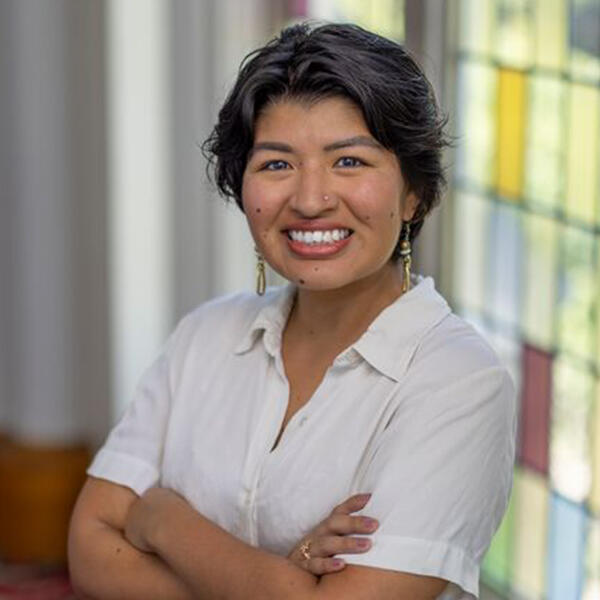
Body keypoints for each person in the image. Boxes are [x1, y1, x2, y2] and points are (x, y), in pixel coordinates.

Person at [68, 21, 516, 600]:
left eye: (349, 162)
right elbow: (90, 549)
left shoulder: (460, 382)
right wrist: (287, 570)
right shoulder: (204, 336)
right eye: (277, 164)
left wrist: (161, 520)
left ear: (415, 193)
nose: (309, 200)